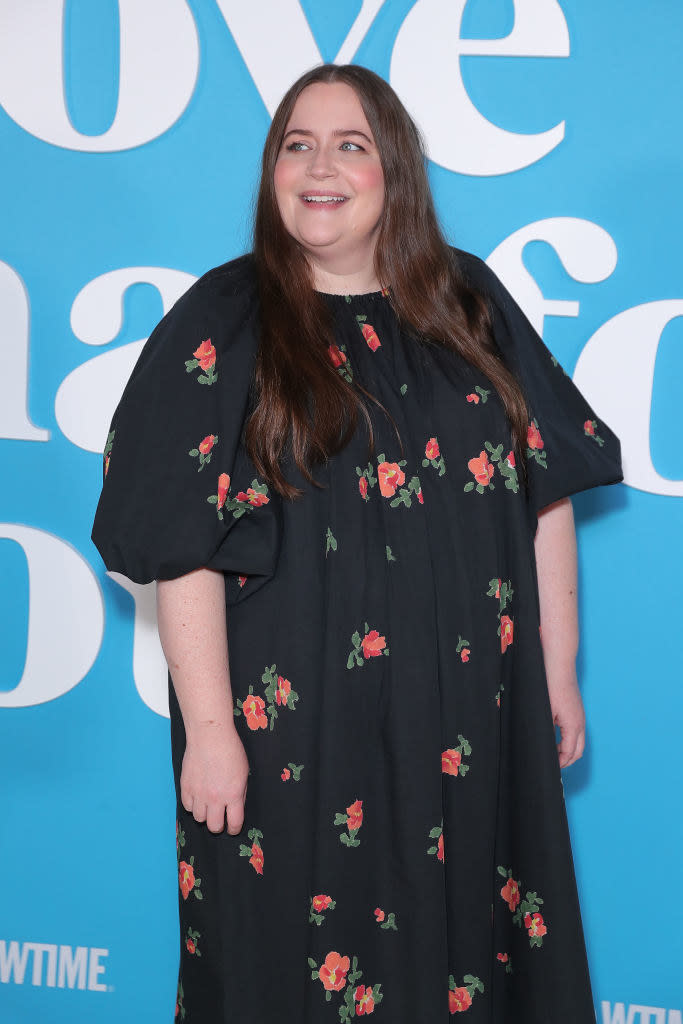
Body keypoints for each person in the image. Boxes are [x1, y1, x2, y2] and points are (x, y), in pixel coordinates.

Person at [91, 63, 622, 1023]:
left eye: (350, 144)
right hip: (288, 734)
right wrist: (211, 732)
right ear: (270, 170)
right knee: (286, 966)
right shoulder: (222, 319)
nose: (319, 167)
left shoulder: (471, 303)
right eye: (297, 144)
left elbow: (543, 492)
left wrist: (558, 667)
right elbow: (180, 547)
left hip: (465, 716)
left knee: (465, 950)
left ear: (395, 172)